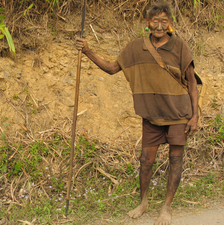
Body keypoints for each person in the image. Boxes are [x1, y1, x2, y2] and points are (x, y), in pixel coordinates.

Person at [76, 1, 199, 225]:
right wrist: (88, 51)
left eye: (164, 21)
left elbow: (191, 82)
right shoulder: (135, 47)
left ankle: (167, 207)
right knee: (145, 160)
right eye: (155, 21)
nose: (159, 26)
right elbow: (111, 68)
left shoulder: (180, 46)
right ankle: (143, 202)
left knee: (176, 159)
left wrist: (195, 115)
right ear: (147, 23)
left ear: (169, 23)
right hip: (151, 114)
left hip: (179, 114)